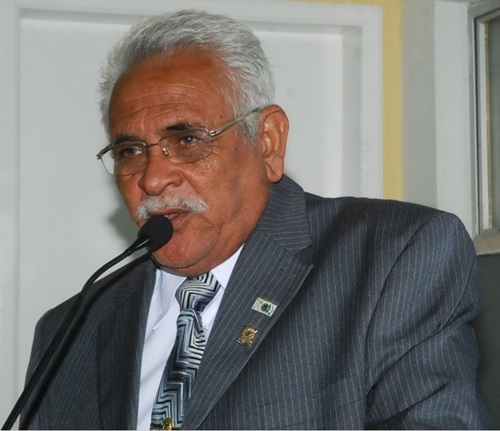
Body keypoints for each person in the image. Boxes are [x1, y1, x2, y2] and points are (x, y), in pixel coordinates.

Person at [20, 9, 492, 430]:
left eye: (187, 140)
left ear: (268, 141)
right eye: (130, 151)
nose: (153, 177)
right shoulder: (68, 333)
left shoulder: (393, 261)